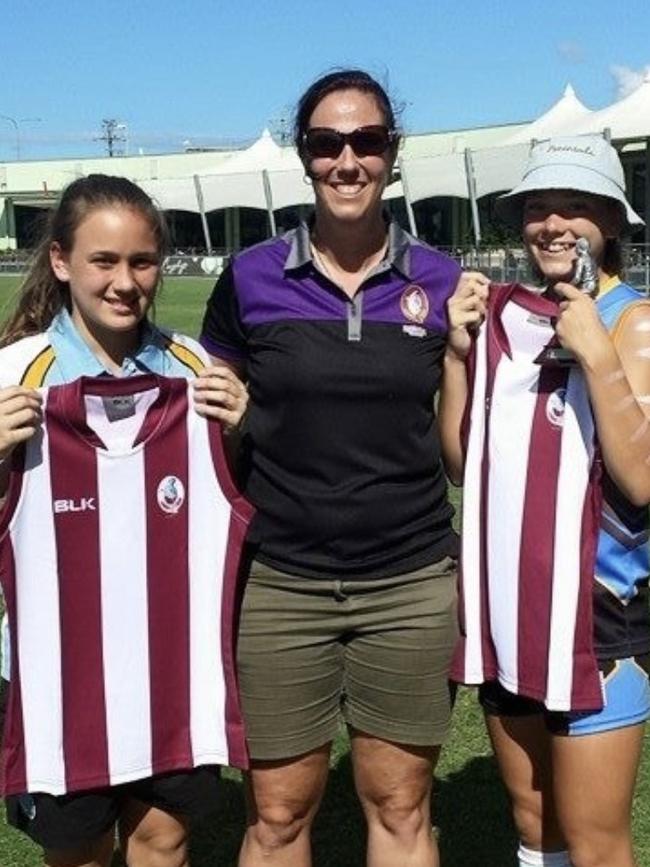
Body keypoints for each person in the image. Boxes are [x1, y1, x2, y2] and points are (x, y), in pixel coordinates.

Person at [200, 69, 461, 867]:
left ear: (392, 152)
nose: (347, 160)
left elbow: (468, 438)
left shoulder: (445, 283)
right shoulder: (248, 278)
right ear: (304, 155)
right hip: (279, 582)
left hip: (410, 581)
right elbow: (201, 426)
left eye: (367, 141)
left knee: (401, 802)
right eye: (326, 143)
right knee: (276, 814)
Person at [0, 173, 248, 867]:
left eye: (141, 261)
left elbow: (227, 496)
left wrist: (237, 429)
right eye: (103, 261)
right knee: (77, 851)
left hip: (173, 662)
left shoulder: (196, 368)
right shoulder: (17, 373)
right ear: (60, 261)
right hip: (56, 671)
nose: (124, 281)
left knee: (164, 838)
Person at [440, 135, 650, 867]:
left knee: (596, 841)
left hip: (600, 617)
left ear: (613, 222)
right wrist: (458, 354)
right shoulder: (504, 319)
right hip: (508, 605)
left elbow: (645, 479)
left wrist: (596, 353)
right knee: (534, 821)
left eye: (577, 207)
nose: (553, 223)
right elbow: (464, 460)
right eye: (538, 207)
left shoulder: (633, 320)